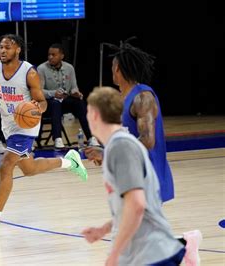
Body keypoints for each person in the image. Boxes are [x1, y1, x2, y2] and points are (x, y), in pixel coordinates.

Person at [0, 34, 88, 238]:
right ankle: (70, 162)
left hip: (26, 126)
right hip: (8, 124)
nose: (3, 50)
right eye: (1, 47)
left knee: (5, 165)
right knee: (29, 169)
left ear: (18, 49)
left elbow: (42, 102)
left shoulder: (29, 72)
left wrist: (37, 108)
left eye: (8, 47)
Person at [81, 86, 201, 266]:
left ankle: (187, 244)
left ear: (95, 116)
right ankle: (187, 244)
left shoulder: (121, 148)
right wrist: (103, 230)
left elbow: (137, 206)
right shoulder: (118, 145)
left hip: (151, 254)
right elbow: (131, 207)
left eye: (88, 113)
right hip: (143, 253)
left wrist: (114, 253)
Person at [84, 39, 174, 202]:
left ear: (117, 68)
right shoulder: (123, 98)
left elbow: (147, 141)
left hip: (146, 178)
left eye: (112, 66)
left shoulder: (142, 97)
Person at [37, 43, 96, 149]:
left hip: (65, 100)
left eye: (53, 55)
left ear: (61, 56)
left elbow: (74, 86)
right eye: (49, 54)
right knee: (55, 104)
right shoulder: (41, 69)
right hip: (49, 103)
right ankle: (57, 139)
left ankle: (91, 137)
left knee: (80, 103)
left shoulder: (69, 68)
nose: (50, 57)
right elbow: (39, 91)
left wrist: (76, 93)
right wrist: (53, 93)